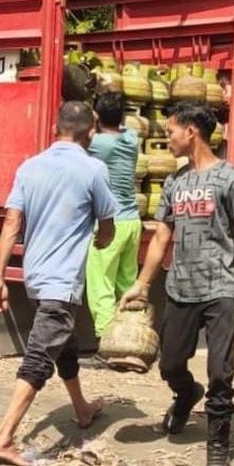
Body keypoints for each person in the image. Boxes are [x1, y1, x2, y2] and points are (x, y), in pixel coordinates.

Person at [119, 101, 234, 466]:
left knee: (220, 373)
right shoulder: (175, 181)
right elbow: (162, 237)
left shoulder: (231, 177)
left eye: (171, 132)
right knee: (170, 364)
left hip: (220, 287)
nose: (167, 139)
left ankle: (218, 446)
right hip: (180, 286)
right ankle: (186, 393)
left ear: (191, 131)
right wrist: (142, 285)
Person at [0, 101, 118, 466]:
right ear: (90, 132)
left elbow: (11, 224)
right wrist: (103, 240)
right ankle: (3, 439)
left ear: (55, 129)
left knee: (65, 344)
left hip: (36, 278)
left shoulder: (29, 167)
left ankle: (81, 409)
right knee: (39, 359)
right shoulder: (93, 169)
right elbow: (108, 224)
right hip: (62, 283)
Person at [85, 92, 142, 340]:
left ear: (97, 116)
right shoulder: (132, 139)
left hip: (110, 224)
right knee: (127, 284)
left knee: (101, 284)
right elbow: (125, 128)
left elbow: (79, 138)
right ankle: (132, 336)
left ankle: (106, 338)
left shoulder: (97, 144)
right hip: (132, 222)